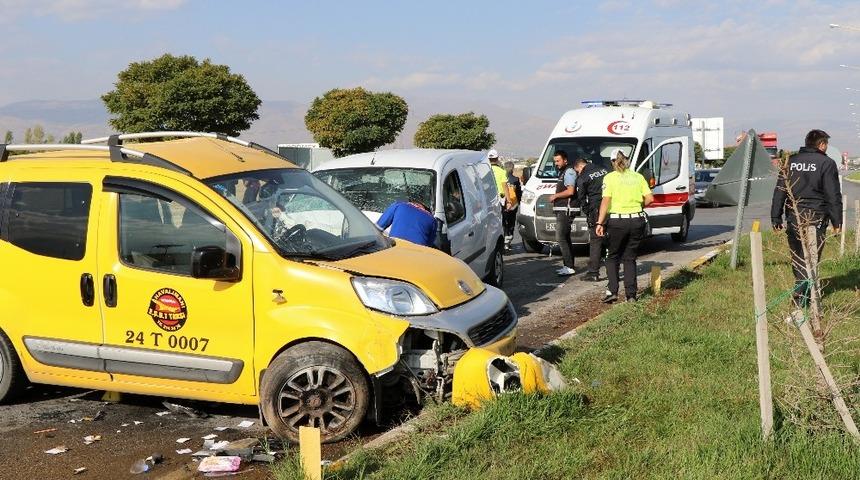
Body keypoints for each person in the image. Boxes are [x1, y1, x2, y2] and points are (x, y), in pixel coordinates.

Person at [771, 129, 843, 308]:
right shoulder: (826, 163)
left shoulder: (790, 161)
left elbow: (780, 190)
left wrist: (775, 217)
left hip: (793, 217)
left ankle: (803, 297)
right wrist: (837, 221)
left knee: (798, 258)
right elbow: (832, 195)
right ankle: (802, 300)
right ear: (821, 144)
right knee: (811, 259)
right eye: (826, 144)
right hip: (816, 219)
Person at [596, 150, 653, 303]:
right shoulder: (638, 177)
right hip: (637, 220)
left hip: (617, 222)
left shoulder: (610, 178)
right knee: (630, 258)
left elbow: (606, 201)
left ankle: (612, 291)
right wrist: (637, 206)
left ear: (612, 162)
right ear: (627, 160)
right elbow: (650, 198)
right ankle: (631, 295)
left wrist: (599, 222)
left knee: (612, 256)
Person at [573, 157, 609, 282]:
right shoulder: (604, 169)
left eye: (577, 171)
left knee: (596, 241)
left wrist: (588, 212)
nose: (578, 173)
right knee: (613, 239)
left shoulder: (583, 177)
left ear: (580, 167)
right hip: (611, 207)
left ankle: (593, 272)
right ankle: (613, 269)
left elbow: (581, 199)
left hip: (597, 210)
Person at [548, 150, 577, 276]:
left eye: (558, 161)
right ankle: (568, 265)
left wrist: (555, 196)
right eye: (555, 161)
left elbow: (570, 191)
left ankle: (569, 266)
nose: (556, 163)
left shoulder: (569, 171)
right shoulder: (563, 172)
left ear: (565, 160)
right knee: (565, 237)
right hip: (562, 209)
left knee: (560, 237)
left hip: (566, 209)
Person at [502, 161, 521, 251]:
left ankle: (504, 242)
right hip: (513, 204)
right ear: (512, 169)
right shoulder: (516, 180)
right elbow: (518, 193)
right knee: (511, 223)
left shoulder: (502, 179)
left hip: (503, 204)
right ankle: (508, 242)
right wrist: (520, 202)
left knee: (504, 223)